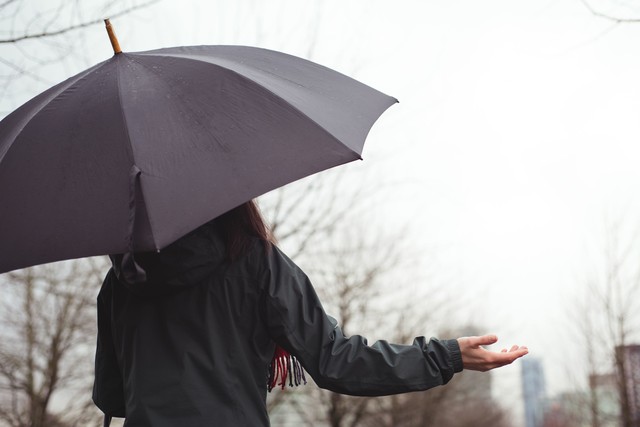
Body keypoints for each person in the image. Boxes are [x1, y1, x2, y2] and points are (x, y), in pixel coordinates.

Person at [93, 200, 528, 427]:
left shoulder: (120, 284)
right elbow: (335, 361)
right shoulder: (255, 262)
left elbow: (112, 398)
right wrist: (443, 356)